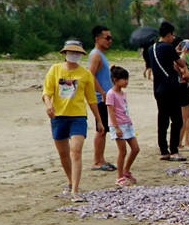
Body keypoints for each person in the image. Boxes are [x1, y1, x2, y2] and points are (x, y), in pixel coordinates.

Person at [42, 40, 103, 203]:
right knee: (63, 153)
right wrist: (48, 104)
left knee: (75, 150)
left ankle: (75, 190)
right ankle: (70, 181)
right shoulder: (55, 70)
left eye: (77, 53)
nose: (74, 55)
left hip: (78, 117)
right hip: (58, 116)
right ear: (65, 53)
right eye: (71, 52)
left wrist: (99, 120)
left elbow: (91, 99)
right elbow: (47, 92)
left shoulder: (85, 74)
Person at [146, 21, 189, 161]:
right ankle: (174, 151)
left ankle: (163, 150)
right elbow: (181, 64)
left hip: (158, 88)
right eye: (172, 35)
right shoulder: (168, 47)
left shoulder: (150, 48)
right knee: (177, 120)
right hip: (170, 87)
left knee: (162, 119)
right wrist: (182, 53)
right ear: (169, 34)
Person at [105, 66, 140, 187]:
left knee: (135, 149)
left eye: (127, 79)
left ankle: (126, 170)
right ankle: (119, 176)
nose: (126, 82)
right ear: (115, 79)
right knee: (122, 151)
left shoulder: (123, 93)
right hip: (118, 125)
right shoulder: (111, 94)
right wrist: (116, 128)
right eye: (123, 79)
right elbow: (111, 112)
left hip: (127, 123)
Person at [88, 25, 116, 172]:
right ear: (97, 39)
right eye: (107, 38)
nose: (110, 41)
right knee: (101, 129)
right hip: (100, 99)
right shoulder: (96, 54)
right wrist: (102, 93)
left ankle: (101, 159)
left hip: (105, 98)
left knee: (103, 129)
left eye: (110, 38)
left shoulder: (100, 55)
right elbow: (90, 75)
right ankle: (96, 161)